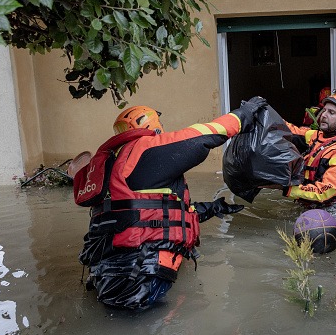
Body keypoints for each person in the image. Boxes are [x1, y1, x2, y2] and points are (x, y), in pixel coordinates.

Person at [73, 97, 266, 309]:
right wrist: (245, 113)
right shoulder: (147, 149)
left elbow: (148, 213)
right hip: (140, 279)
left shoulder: (110, 165)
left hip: (105, 278)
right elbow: (207, 133)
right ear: (153, 126)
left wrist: (211, 208)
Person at [271, 90, 336, 219]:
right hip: (309, 203)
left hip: (334, 210)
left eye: (331, 113)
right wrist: (268, 115)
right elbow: (291, 131)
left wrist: (286, 188)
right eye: (324, 110)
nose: (324, 115)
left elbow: (324, 192)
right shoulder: (316, 136)